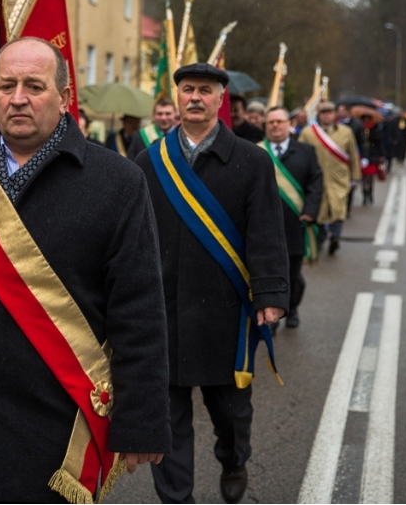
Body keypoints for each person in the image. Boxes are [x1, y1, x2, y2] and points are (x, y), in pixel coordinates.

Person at [0, 38, 170, 503]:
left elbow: (139, 310)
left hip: (54, 429)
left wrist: (141, 421)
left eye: (34, 86)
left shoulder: (117, 182)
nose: (18, 97)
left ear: (63, 96)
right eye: (7, 85)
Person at [135, 63, 289, 505]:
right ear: (177, 97)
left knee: (232, 414)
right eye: (188, 90)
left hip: (227, 312)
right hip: (164, 312)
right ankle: (177, 498)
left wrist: (272, 295)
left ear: (222, 100)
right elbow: (134, 236)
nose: (195, 97)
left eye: (205, 90)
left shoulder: (252, 160)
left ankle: (235, 459)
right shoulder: (150, 161)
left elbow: (266, 232)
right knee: (167, 418)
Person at [261, 106, 322, 330]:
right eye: (270, 123)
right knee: (270, 273)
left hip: (295, 224)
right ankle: (273, 314)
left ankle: (293, 307)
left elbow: (316, 184)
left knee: (293, 274)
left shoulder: (306, 152)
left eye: (279, 121)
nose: (275, 126)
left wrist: (310, 211)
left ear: (289, 124)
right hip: (265, 227)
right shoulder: (257, 151)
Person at [299, 102, 361, 256]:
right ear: (318, 115)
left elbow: (353, 155)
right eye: (323, 112)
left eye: (330, 112)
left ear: (335, 115)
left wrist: (355, 177)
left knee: (338, 210)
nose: (327, 115)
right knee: (319, 211)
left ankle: (335, 237)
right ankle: (320, 238)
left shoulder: (346, 132)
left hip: (339, 179)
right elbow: (298, 155)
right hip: (316, 180)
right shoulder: (308, 133)